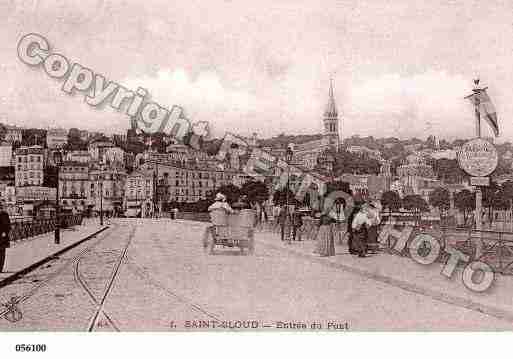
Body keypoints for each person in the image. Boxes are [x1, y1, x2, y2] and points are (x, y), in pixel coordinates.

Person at [0, 203, 11, 273]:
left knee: (1, 253)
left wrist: (5, 232)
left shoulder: (5, 214)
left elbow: (8, 225)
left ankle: (0, 268)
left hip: (2, 236)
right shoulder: (4, 214)